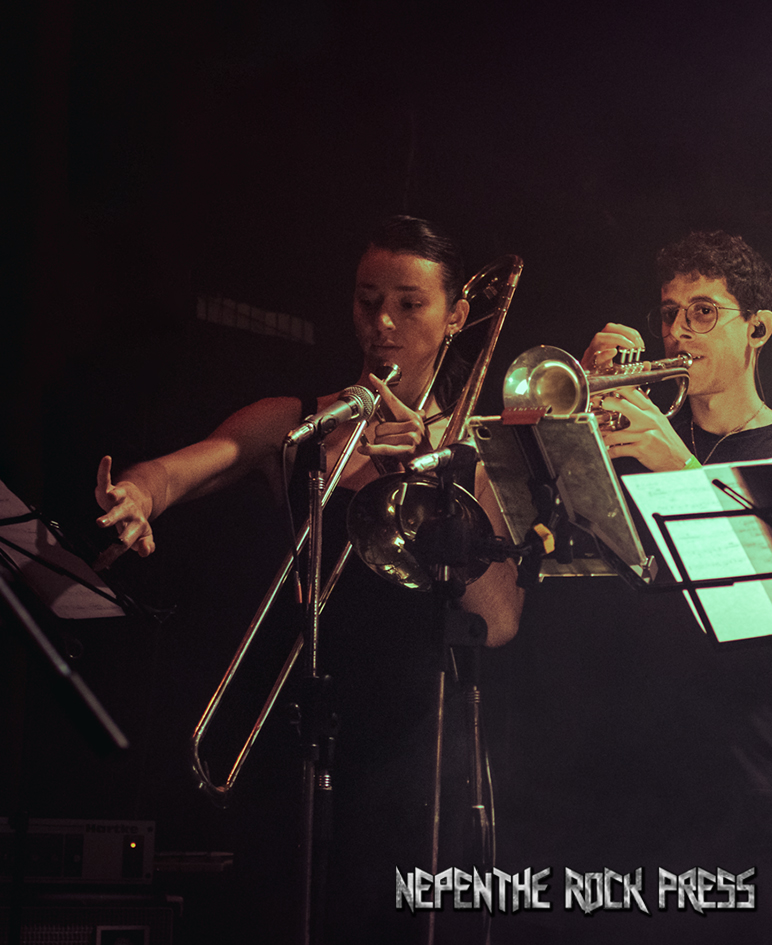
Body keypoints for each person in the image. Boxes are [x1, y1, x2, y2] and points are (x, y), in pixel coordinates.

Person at [94, 215, 523, 943]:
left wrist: (432, 489)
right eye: (367, 299)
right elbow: (178, 470)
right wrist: (136, 494)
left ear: (456, 317)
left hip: (414, 754)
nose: (381, 323)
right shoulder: (293, 421)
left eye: (409, 304)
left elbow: (501, 621)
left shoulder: (474, 454)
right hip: (298, 735)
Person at [499, 231, 772, 944]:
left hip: (756, 790)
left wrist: (678, 464)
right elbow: (552, 549)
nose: (678, 332)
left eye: (702, 312)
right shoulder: (636, 444)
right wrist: (574, 424)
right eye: (668, 314)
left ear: (757, 329)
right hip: (632, 790)